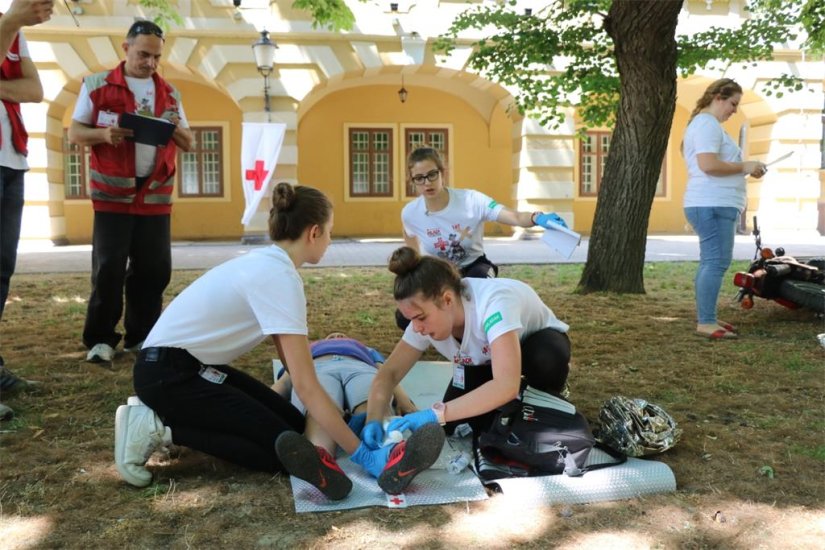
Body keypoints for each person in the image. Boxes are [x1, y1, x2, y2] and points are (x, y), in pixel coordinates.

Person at [115, 183, 444, 501]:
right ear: (313, 232)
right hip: (169, 375)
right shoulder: (281, 278)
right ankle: (160, 427)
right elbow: (307, 385)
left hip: (185, 366)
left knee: (293, 429)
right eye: (329, 232)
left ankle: (174, 421)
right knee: (282, 455)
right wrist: (361, 455)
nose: (330, 241)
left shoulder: (269, 265)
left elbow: (294, 368)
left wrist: (332, 418)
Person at [68, 20, 194, 363]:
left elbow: (189, 142)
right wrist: (103, 136)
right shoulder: (97, 85)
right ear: (125, 48)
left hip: (154, 195)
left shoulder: (169, 93)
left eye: (156, 56)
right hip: (112, 194)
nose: (150, 62)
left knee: (154, 270)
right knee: (108, 268)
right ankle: (101, 339)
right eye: (143, 54)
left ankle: (142, 337)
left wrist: (171, 126)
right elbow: (76, 133)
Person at [364, 246, 571, 448]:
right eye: (411, 319)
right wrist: (373, 419)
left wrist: (435, 413)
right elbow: (389, 373)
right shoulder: (426, 318)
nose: (416, 328)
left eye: (420, 318)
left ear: (447, 300)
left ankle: (545, 396)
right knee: (462, 426)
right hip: (486, 361)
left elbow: (506, 385)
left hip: (535, 349)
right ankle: (510, 407)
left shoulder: (494, 304)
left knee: (544, 360)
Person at [396, 146, 567, 329]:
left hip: (474, 267)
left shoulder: (471, 200)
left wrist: (537, 218)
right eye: (419, 178)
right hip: (439, 274)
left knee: (477, 301)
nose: (427, 183)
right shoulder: (411, 213)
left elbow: (514, 217)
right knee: (405, 317)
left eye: (432, 174)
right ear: (412, 180)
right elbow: (410, 242)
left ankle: (485, 341)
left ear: (442, 172)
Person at [0, 0, 53, 420]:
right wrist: (11, 20)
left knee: (1, 270)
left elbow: (34, 91)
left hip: (11, 161)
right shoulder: (10, 25)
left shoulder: (14, 33)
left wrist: (12, 24)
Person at [682, 78, 766, 339]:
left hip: (713, 202)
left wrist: (748, 169)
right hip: (712, 203)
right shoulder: (707, 124)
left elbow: (712, 166)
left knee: (713, 262)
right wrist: (744, 166)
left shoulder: (706, 125)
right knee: (715, 263)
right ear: (718, 96)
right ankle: (706, 322)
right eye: (732, 103)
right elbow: (708, 165)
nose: (734, 110)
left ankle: (708, 317)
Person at [272, 333, 417, 472]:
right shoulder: (305, 346)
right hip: (317, 370)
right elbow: (288, 377)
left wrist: (404, 400)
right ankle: (320, 463)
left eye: (341, 335)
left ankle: (390, 451)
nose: (337, 336)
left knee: (373, 406)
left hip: (361, 369)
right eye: (331, 336)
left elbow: (387, 374)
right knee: (318, 411)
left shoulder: (368, 350)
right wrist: (266, 400)